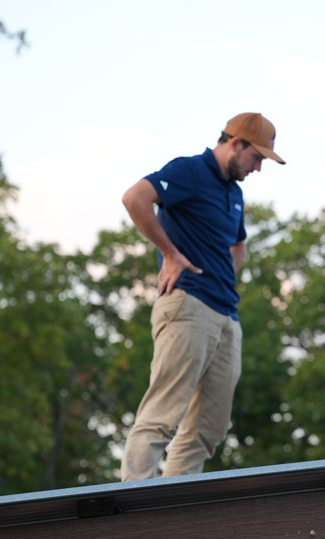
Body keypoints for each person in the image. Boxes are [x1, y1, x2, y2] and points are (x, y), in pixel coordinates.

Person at [120, 112, 285, 481]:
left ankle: (173, 510)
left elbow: (238, 246)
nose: (258, 168)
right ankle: (131, 513)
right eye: (257, 157)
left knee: (208, 430)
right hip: (187, 305)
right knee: (162, 417)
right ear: (236, 144)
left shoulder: (235, 192)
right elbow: (135, 199)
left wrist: (220, 271)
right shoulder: (190, 171)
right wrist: (171, 254)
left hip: (227, 315)